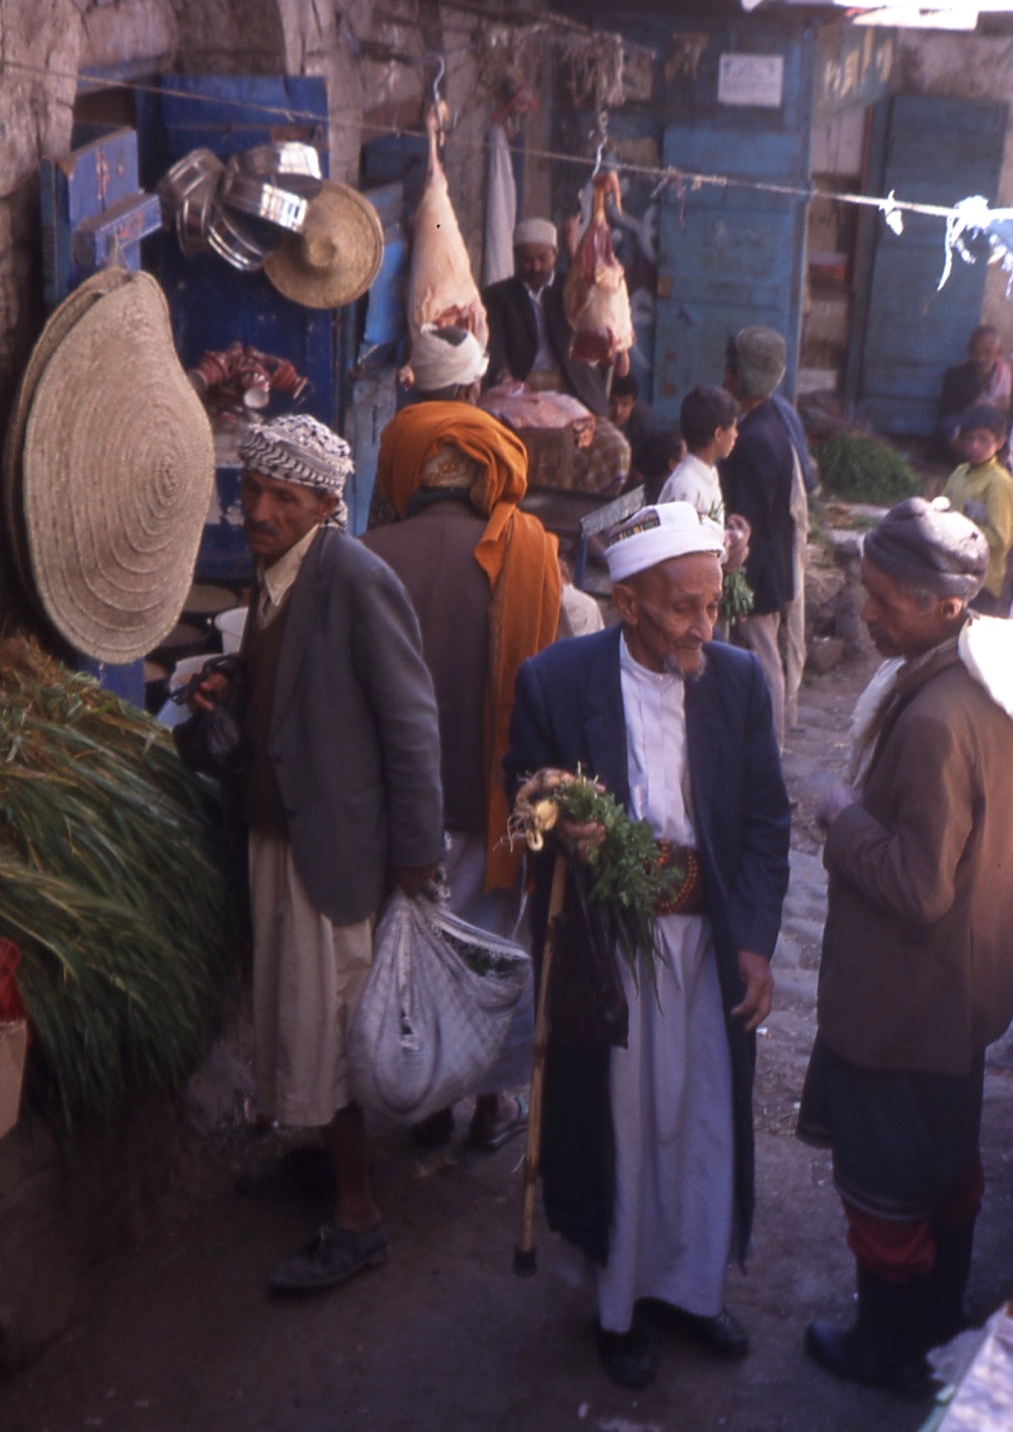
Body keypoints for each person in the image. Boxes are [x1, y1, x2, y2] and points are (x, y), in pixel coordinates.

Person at [505, 501, 791, 1389]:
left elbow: (767, 821)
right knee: (620, 1124)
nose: (703, 624)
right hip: (609, 947)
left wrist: (754, 944)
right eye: (681, 607)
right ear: (626, 603)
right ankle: (620, 1302)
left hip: (707, 944)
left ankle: (695, 1288)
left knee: (701, 1115)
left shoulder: (738, 681)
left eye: (711, 603)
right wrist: (548, 809)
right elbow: (525, 805)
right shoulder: (554, 681)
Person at [197, 413, 445, 1295]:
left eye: (282, 497)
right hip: (280, 837)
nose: (259, 509)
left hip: (334, 849)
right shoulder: (273, 573)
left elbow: (412, 724)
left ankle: (356, 1215)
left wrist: (415, 858)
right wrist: (237, 689)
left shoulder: (353, 577)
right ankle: (323, 1167)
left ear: (326, 504)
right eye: (253, 490)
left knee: (331, 1031)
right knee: (297, 1020)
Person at [798, 497, 1013, 1396]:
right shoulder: (976, 688)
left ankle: (887, 1349)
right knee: (941, 1168)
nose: (868, 611)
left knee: (888, 1184)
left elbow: (920, 886)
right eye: (866, 589)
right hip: (954, 1000)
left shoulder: (932, 722)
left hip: (904, 1002)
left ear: (946, 606)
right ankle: (934, 1323)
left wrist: (842, 820)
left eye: (888, 599)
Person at [362, 329, 561, 1148]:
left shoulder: (366, 558)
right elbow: (548, 692)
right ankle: (490, 1102)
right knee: (489, 951)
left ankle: (425, 1095)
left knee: (410, 960)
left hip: (398, 811)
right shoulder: (533, 555)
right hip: (499, 802)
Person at [483, 218, 629, 495]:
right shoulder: (498, 295)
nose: (535, 267)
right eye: (527, 260)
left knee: (616, 449)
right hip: (524, 391)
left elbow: (601, 310)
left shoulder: (571, 287)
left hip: (575, 388)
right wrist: (503, 375)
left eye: (542, 258)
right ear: (515, 257)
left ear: (555, 254)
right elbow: (496, 344)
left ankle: (581, 511)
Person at [720, 326, 800, 748]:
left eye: (729, 369)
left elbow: (753, 526)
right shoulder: (767, 423)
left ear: (738, 374)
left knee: (764, 659)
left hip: (758, 574)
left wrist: (740, 586)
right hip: (763, 569)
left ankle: (771, 749)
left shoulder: (755, 439)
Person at [658, 384, 750, 575]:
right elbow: (682, 554)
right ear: (718, 434)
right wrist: (727, 553)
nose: (736, 434)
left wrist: (731, 540)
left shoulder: (708, 473)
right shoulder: (686, 486)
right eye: (733, 428)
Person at [941, 403, 1013, 615]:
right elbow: (943, 507)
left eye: (983, 439)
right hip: (953, 573)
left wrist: (960, 534)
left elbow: (1001, 538)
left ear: (999, 443)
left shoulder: (999, 482)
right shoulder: (960, 473)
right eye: (970, 439)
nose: (975, 446)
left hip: (983, 582)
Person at [937, 324, 1012, 463]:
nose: (980, 358)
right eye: (975, 352)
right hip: (966, 441)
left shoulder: (1007, 378)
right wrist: (957, 439)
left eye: (987, 352)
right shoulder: (955, 375)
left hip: (997, 444)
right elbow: (946, 415)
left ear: (999, 351)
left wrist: (1004, 407)